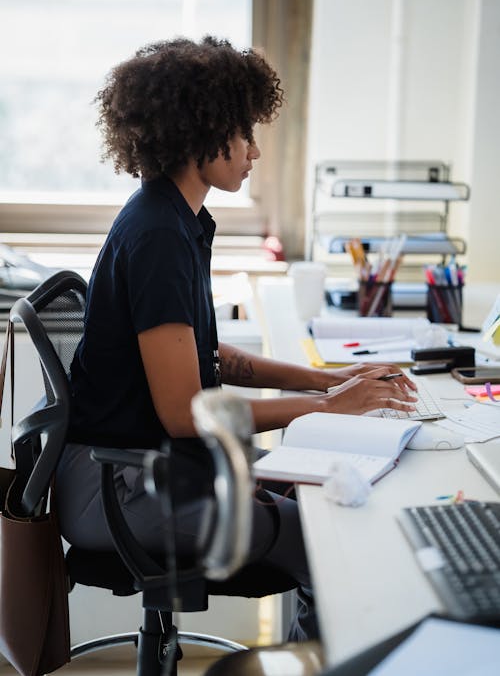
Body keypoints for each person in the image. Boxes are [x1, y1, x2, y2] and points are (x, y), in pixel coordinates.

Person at [55, 36, 418, 642]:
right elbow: (184, 412)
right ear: (199, 132)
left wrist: (328, 380)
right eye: (243, 131)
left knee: (318, 492)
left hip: (150, 470)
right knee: (332, 539)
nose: (254, 150)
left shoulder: (178, 218)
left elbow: (209, 358)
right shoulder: (158, 236)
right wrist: (330, 408)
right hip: (119, 489)